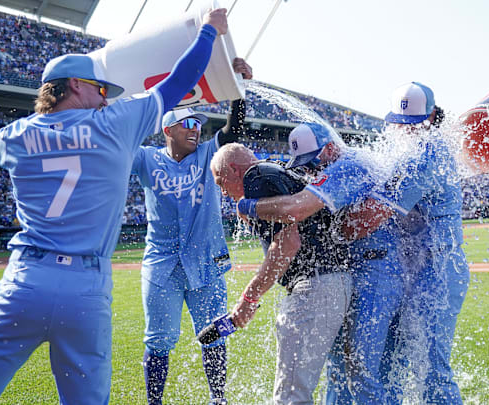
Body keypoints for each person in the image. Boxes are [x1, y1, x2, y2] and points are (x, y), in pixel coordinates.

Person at [0, 9, 229, 405]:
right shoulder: (113, 124)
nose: (105, 98)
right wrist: (208, 32)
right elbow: (178, 82)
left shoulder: (12, 136)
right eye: (98, 89)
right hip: (86, 286)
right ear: (72, 86)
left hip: (25, 279)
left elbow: (14, 140)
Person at [237, 124, 405, 404]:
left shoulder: (347, 165)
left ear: (329, 149)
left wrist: (248, 207)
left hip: (376, 268)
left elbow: (296, 209)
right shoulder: (348, 161)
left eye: (312, 161)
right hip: (365, 266)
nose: (310, 170)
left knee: (361, 369)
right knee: (344, 370)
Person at [133, 58, 252, 405]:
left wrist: (238, 88)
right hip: (161, 266)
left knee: (214, 335)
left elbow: (234, 131)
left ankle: (218, 399)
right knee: (158, 340)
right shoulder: (146, 159)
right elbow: (118, 144)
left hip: (206, 264)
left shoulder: (207, 154)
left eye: (198, 124)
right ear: (168, 130)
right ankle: (155, 402)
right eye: (187, 124)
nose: (195, 129)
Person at [209, 139, 352, 404]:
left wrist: (249, 298)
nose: (224, 193)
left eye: (220, 183)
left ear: (233, 170)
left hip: (314, 287)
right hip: (336, 283)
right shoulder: (276, 171)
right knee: (336, 385)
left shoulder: (256, 177)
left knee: (290, 395)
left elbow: (287, 244)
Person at [375, 82, 469, 404]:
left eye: (411, 124)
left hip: (438, 267)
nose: (405, 130)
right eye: (400, 124)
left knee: (431, 370)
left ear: (430, 118)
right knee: (391, 363)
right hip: (413, 267)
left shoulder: (429, 153)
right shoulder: (414, 151)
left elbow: (380, 210)